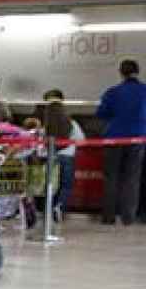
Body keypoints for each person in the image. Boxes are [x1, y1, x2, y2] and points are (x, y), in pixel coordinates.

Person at [95, 58, 146, 225]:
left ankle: (108, 217)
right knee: (131, 178)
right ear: (138, 72)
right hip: (138, 139)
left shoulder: (112, 92)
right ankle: (128, 217)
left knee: (111, 178)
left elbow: (101, 113)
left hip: (114, 138)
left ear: (121, 73)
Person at [38, 88, 85, 222]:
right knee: (66, 185)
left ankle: (47, 209)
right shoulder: (70, 121)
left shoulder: (45, 123)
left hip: (50, 156)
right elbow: (80, 139)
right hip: (67, 156)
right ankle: (58, 207)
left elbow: (41, 140)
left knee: (49, 184)